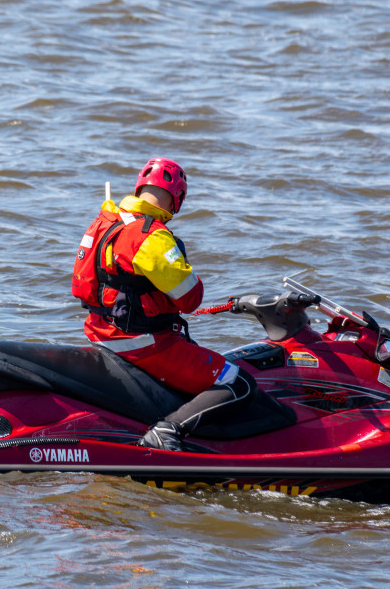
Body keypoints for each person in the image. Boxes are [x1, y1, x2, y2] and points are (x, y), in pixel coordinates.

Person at [71, 157, 254, 451]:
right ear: (177, 199)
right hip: (143, 344)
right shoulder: (151, 236)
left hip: (100, 332)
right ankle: (168, 431)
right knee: (238, 382)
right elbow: (190, 299)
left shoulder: (105, 221)